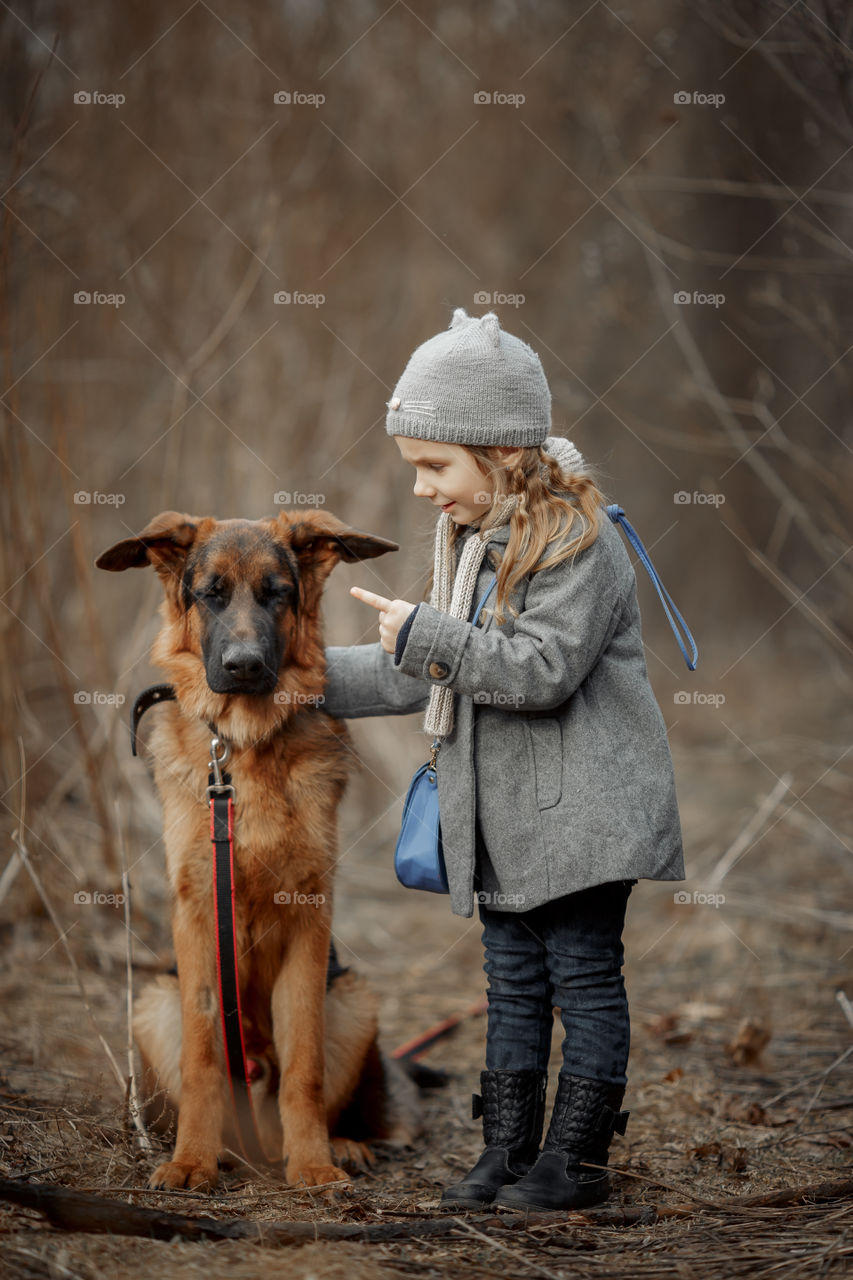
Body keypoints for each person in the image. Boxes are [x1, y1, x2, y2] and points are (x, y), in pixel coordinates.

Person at [321, 307, 686, 1212]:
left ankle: (576, 1162)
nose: (420, 490)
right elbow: (426, 672)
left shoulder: (578, 543)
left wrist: (425, 634)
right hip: (501, 822)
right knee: (512, 983)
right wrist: (293, 680)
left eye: (433, 467)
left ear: (500, 453)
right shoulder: (471, 545)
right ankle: (507, 1152)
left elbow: (539, 671)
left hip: (583, 819)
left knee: (583, 983)